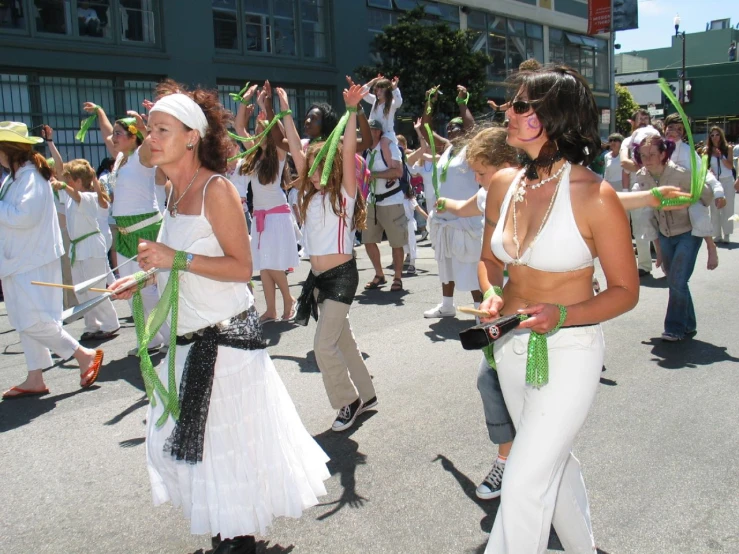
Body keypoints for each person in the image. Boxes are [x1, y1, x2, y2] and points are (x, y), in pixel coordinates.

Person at [110, 82, 330, 552]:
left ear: (192, 136)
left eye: (161, 129)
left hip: (225, 348)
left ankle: (236, 541)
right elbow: (181, 264)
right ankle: (228, 539)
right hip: (191, 343)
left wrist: (174, 260)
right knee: (209, 458)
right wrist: (143, 279)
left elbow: (241, 269)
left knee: (226, 456)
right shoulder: (172, 193)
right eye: (150, 129)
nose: (151, 137)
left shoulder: (216, 188)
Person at [479, 66, 639, 553]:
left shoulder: (595, 196)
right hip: (507, 345)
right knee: (550, 463)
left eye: (522, 105)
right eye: (513, 103)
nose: (509, 111)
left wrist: (564, 315)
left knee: (524, 482)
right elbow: (487, 260)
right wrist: (488, 293)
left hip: (568, 349)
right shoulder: (504, 183)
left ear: (554, 117)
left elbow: (625, 291)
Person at [281, 83, 378, 432]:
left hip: (340, 277)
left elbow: (349, 144)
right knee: (342, 340)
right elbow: (295, 148)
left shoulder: (345, 194)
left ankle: (347, 401)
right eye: (310, 163)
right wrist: (285, 113)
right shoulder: (310, 194)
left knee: (323, 346)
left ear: (334, 167)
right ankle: (367, 395)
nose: (311, 167)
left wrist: (352, 111)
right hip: (318, 279)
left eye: (320, 163)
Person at [0, 121, 104, 399]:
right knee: (25, 319)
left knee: (33, 320)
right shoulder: (16, 177)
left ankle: (84, 355)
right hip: (20, 258)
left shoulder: (30, 177)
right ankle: (35, 377)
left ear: (7, 150)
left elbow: (25, 217)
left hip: (30, 259)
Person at [81, 101, 169, 355]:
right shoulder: (120, 158)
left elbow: (153, 142)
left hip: (145, 230)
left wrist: (145, 128)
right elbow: (107, 131)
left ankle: (168, 338)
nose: (114, 137)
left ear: (133, 138)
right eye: (115, 133)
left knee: (150, 288)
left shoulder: (142, 156)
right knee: (130, 290)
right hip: (124, 232)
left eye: (120, 133)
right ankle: (149, 340)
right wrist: (100, 112)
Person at [632, 135, 713, 341]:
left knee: (676, 280)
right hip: (664, 235)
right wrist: (658, 248)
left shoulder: (681, 174)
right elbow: (647, 215)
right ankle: (689, 324)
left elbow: (706, 196)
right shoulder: (642, 177)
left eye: (651, 154)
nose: (647, 159)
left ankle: (674, 328)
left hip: (688, 233)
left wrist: (689, 201)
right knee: (678, 281)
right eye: (642, 155)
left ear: (663, 154)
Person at [420, 84, 482, 318]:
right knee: (445, 265)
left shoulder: (471, 150)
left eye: (456, 128)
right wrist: (429, 103)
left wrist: (462, 103)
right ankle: (447, 306)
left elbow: (473, 129)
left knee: (469, 265)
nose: (452, 132)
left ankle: (480, 310)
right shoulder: (446, 149)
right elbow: (426, 131)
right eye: (449, 129)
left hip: (465, 221)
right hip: (444, 220)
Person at [239, 90, 297, 323]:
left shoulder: (280, 154)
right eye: (257, 130)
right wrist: (247, 102)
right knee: (264, 265)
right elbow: (239, 127)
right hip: (260, 217)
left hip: (276, 216)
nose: (257, 134)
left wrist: (270, 107)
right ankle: (271, 309)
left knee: (272, 263)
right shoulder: (253, 156)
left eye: (263, 131)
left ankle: (289, 299)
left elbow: (281, 134)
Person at [53, 159, 119, 340]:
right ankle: (92, 325)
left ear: (79, 181)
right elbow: (59, 168)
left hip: (91, 246)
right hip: (78, 248)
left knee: (95, 288)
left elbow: (76, 195)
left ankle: (110, 323)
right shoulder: (69, 197)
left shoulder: (89, 197)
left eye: (70, 180)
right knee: (80, 290)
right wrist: (50, 142)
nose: (67, 182)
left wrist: (63, 186)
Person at [664, 113, 722, 270]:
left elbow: (704, 173)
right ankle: (659, 256)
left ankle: (710, 245)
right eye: (671, 127)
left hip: (687, 194)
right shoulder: (658, 149)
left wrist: (718, 192)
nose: (674, 131)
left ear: (684, 133)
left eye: (679, 129)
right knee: (646, 214)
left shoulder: (688, 151)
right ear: (664, 129)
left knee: (696, 211)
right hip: (663, 196)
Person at [362, 118, 405, 292]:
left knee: (396, 242)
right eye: (366, 130)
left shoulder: (389, 147)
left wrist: (374, 175)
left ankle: (398, 278)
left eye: (371, 130)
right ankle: (379, 274)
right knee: (368, 240)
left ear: (378, 132)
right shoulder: (365, 150)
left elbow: (398, 171)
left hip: (391, 200)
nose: (367, 133)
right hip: (372, 200)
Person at [620, 109, 659, 277]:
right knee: (640, 227)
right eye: (640, 118)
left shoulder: (656, 137)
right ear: (633, 122)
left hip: (659, 185)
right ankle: (644, 265)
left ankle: (669, 263)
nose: (643, 121)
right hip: (640, 187)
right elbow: (624, 163)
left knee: (664, 226)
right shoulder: (628, 141)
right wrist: (647, 165)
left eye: (646, 118)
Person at [702, 126, 734, 243]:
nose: (715, 137)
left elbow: (730, 166)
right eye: (712, 135)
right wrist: (709, 171)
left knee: (728, 208)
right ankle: (717, 234)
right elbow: (704, 168)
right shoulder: (707, 150)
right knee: (714, 208)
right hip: (714, 182)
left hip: (727, 180)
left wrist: (721, 157)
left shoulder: (728, 148)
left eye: (717, 134)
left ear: (721, 135)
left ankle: (727, 234)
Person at [361, 74, 402, 147]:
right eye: (377, 90)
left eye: (382, 90)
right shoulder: (374, 100)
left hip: (387, 135)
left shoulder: (391, 103)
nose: (378, 92)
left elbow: (399, 102)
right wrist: (373, 81)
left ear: (388, 91)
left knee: (384, 145)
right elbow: (362, 93)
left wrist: (395, 88)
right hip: (373, 135)